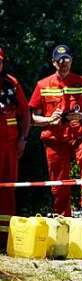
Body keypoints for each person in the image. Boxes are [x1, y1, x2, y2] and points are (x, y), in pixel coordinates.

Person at [28, 44, 82, 217]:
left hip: (79, 135)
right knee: (59, 183)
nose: (64, 63)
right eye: (60, 60)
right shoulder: (42, 85)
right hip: (54, 139)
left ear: (71, 60)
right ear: (53, 63)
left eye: (67, 59)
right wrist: (49, 119)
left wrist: (81, 117)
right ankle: (63, 218)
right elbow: (32, 119)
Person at [0, 48, 30, 248]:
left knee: (8, 190)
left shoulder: (11, 83)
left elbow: (25, 114)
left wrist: (23, 139)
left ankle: (3, 239)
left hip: (9, 145)